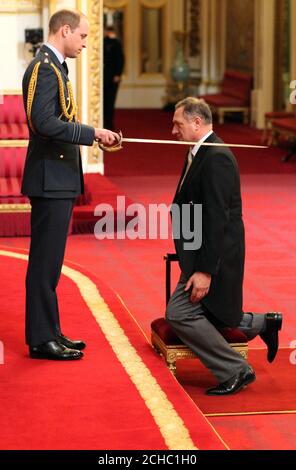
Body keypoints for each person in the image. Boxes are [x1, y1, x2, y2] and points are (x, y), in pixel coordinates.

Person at [166, 97, 282, 395]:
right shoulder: (199, 151)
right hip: (199, 251)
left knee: (180, 313)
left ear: (196, 122)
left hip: (214, 257)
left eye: (178, 124)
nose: (173, 131)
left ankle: (236, 369)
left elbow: (217, 219)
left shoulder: (216, 156)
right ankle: (263, 324)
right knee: (217, 313)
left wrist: (204, 271)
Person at [21, 9, 119, 361]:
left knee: (51, 263)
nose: (85, 44)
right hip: (49, 179)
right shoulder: (43, 68)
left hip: (57, 177)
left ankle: (51, 332)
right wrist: (91, 133)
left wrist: (93, 135)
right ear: (64, 30)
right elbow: (43, 122)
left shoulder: (54, 66)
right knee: (44, 263)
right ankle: (41, 339)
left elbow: (58, 120)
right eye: (83, 37)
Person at [103, 26, 125, 130]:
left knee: (110, 102)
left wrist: (118, 74)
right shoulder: (103, 42)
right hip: (104, 77)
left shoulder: (116, 43)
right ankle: (105, 122)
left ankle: (109, 123)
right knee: (105, 101)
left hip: (113, 77)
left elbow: (120, 60)